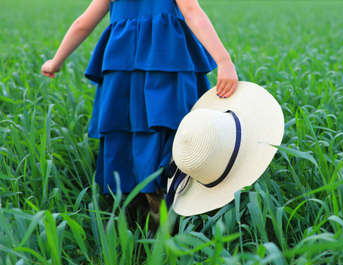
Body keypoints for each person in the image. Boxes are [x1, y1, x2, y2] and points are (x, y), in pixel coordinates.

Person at [40, 0, 238, 234]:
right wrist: (224, 62)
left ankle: (142, 205)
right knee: (175, 129)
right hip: (167, 62)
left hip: (124, 67)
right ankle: (174, 205)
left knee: (129, 130)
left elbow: (83, 24)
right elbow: (192, 12)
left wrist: (56, 61)